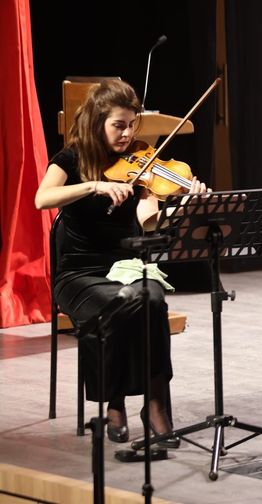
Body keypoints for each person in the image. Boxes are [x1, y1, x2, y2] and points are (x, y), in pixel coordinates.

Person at [35, 79, 208, 446]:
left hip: (125, 269)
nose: (127, 133)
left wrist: (185, 206)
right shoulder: (73, 158)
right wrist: (93, 186)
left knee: (152, 299)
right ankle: (113, 403)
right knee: (124, 304)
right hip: (79, 276)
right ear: (98, 121)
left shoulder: (142, 166)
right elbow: (42, 198)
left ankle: (156, 403)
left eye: (132, 124)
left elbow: (149, 222)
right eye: (119, 125)